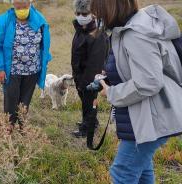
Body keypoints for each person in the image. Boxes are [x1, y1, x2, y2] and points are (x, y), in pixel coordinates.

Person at [91, 0, 182, 183]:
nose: (94, 17)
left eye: (97, 12)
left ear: (109, 8)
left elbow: (149, 81)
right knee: (142, 171)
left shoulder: (135, 34)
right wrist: (112, 74)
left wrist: (111, 92)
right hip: (145, 114)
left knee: (123, 172)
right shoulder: (132, 28)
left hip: (151, 117)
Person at [0, 0, 52, 133]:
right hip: (12, 70)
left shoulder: (40, 20)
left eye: (25, 6)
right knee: (11, 98)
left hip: (32, 70)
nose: (21, 8)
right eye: (18, 6)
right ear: (13, 4)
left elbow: (44, 44)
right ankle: (9, 126)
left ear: (30, 3)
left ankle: (23, 126)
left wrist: (45, 60)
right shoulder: (4, 20)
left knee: (25, 99)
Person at [70, 0, 108, 138]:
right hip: (79, 75)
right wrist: (77, 77)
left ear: (93, 14)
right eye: (78, 13)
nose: (81, 16)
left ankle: (87, 128)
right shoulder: (80, 30)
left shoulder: (97, 34)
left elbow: (96, 63)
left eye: (84, 13)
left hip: (90, 78)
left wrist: (86, 82)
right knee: (85, 100)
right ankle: (92, 122)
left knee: (89, 101)